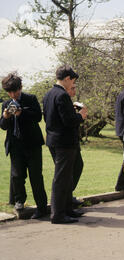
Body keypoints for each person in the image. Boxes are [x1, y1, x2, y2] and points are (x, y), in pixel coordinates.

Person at [43, 65, 88, 224]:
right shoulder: (62, 95)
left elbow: (51, 118)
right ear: (68, 78)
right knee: (61, 179)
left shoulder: (48, 94)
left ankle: (68, 209)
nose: (73, 84)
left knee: (67, 177)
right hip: (64, 142)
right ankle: (57, 214)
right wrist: (81, 116)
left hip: (53, 140)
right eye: (73, 80)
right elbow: (68, 121)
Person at [0, 72, 48, 219]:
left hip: (32, 145)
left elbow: (38, 117)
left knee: (36, 176)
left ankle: (41, 207)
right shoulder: (6, 104)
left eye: (15, 90)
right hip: (15, 145)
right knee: (17, 176)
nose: (13, 94)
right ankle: (19, 201)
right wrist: (5, 117)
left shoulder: (30, 98)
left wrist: (22, 112)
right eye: (9, 92)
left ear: (21, 87)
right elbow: (3, 126)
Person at [66, 84, 85, 208]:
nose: (74, 90)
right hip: (66, 142)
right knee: (70, 170)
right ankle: (66, 197)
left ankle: (68, 195)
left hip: (74, 140)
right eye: (72, 88)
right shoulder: (63, 101)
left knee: (77, 166)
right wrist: (79, 115)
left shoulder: (70, 103)